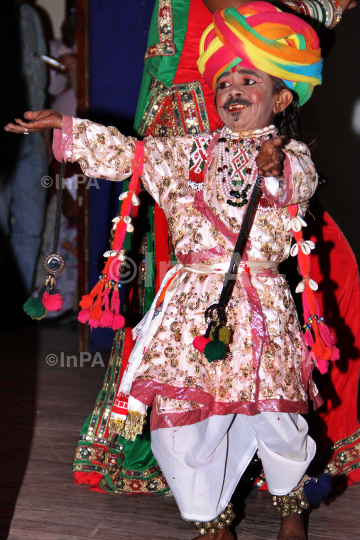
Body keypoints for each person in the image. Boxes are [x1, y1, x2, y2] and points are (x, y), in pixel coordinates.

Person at [5, 3, 339, 538]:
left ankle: (291, 503)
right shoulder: (184, 153)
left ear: (280, 97)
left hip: (261, 313)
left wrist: (276, 168)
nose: (231, 89)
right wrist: (65, 126)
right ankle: (211, 517)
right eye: (224, 80)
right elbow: (129, 155)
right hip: (188, 309)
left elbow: (295, 182)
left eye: (248, 79)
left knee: (275, 417)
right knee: (180, 427)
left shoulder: (293, 154)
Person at [0, 0, 48, 301]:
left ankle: (15, 304)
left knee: (31, 225)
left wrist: (42, 127)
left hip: (29, 131)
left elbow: (37, 72)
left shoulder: (29, 15)